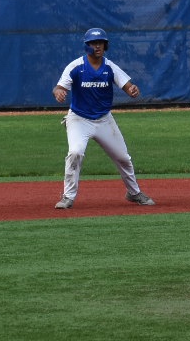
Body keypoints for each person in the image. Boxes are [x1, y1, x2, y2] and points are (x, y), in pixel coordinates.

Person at [52, 27, 154, 209]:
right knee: (75, 152)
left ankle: (134, 193)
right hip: (79, 119)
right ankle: (68, 196)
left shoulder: (109, 67)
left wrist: (132, 90)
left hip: (104, 119)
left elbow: (128, 86)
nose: (97, 46)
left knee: (123, 158)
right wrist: (59, 92)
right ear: (87, 46)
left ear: (105, 45)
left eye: (100, 43)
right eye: (93, 43)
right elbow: (59, 87)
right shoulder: (76, 66)